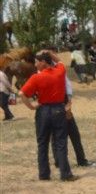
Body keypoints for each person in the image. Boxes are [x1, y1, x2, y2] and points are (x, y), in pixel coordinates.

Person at [19, 50, 77, 181]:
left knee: (42, 143)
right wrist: (49, 53)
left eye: (36, 61)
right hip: (58, 109)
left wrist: (31, 106)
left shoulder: (36, 77)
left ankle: (44, 174)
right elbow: (60, 61)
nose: (34, 64)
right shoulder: (59, 72)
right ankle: (65, 174)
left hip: (43, 111)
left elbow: (22, 94)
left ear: (43, 62)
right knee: (61, 142)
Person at [54, 75, 95, 168]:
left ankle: (59, 162)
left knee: (57, 137)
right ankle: (80, 160)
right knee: (73, 136)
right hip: (61, 107)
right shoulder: (58, 73)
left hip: (53, 109)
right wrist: (68, 111)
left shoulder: (47, 74)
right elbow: (67, 91)